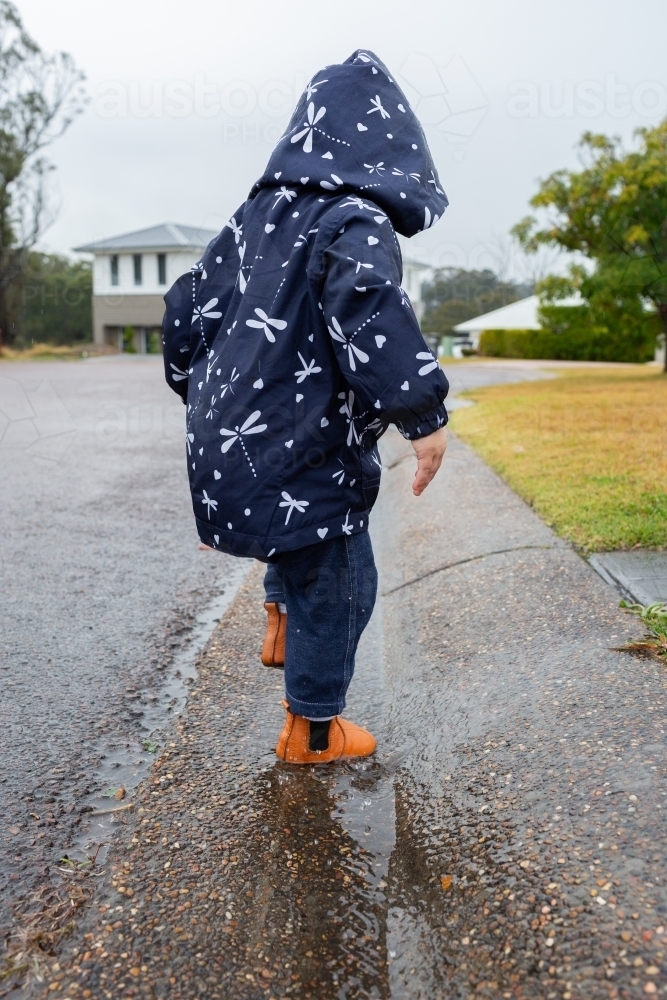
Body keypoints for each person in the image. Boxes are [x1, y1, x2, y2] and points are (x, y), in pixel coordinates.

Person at [163, 49, 449, 764]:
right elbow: (369, 312)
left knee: (297, 537)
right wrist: (423, 414)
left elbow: (182, 310)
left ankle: (280, 622)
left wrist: (199, 398)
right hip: (303, 445)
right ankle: (312, 731)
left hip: (228, 441)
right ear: (391, 147)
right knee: (344, 575)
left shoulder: (249, 221)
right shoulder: (353, 219)